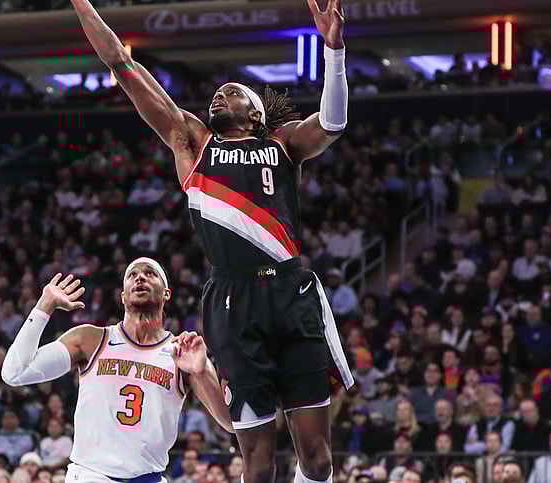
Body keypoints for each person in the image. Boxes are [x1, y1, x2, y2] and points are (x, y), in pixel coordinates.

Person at [68, 1, 353, 482]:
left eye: (232, 93)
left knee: (318, 460)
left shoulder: (283, 144)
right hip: (232, 299)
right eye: (217, 94)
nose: (219, 96)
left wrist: (334, 51)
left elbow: (333, 123)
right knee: (258, 465)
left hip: (291, 291)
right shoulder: (193, 143)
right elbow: (121, 63)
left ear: (256, 114)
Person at [1, 259, 233, 483]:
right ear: (123, 296)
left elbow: (230, 424)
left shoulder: (183, 352)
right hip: (91, 476)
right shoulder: (91, 339)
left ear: (166, 294)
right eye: (132, 275)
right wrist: (45, 304)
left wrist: (201, 372)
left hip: (148, 478)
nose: (140, 277)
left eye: (150, 273)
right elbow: (15, 372)